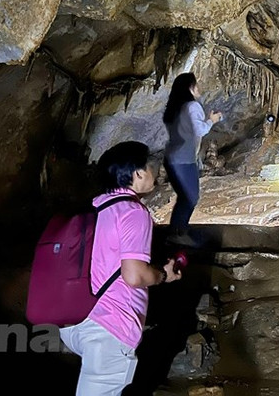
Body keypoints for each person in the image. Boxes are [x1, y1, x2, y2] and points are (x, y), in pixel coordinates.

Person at [59, 141, 182, 396]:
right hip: (109, 325)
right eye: (150, 167)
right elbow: (134, 275)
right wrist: (162, 275)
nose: (154, 172)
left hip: (74, 319)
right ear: (137, 174)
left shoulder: (94, 207)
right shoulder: (133, 212)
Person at [162, 72, 222, 244]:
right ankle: (178, 234)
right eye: (196, 84)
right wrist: (212, 120)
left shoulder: (174, 108)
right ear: (190, 87)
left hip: (173, 158)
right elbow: (200, 130)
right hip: (184, 159)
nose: (199, 87)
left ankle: (177, 232)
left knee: (185, 197)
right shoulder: (192, 106)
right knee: (190, 197)